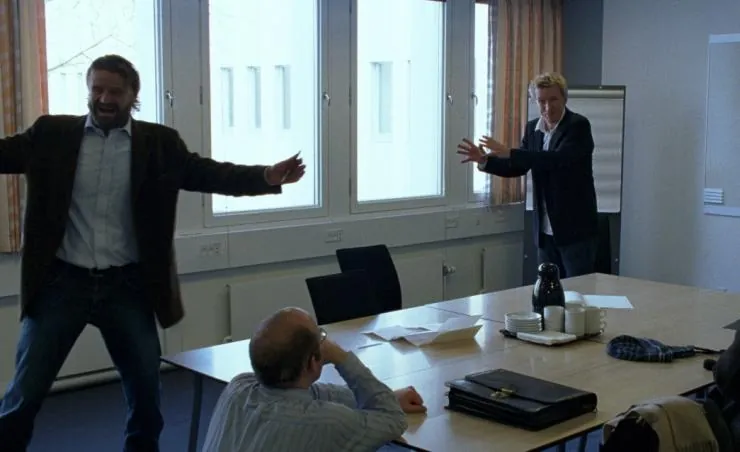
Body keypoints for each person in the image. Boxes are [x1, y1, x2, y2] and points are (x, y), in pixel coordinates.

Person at [0, 54, 305, 452]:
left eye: (114, 91)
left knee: (146, 395)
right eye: (97, 89)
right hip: (62, 284)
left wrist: (264, 176)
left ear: (133, 95)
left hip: (126, 287)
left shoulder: (159, 144)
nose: (104, 99)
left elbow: (209, 173)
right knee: (24, 393)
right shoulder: (52, 135)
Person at [202, 307, 426, 452]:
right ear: (312, 362)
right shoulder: (328, 422)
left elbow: (315, 394)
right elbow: (393, 418)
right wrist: (340, 356)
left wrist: (390, 395)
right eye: (322, 338)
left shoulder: (238, 387)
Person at [457, 72, 598, 278]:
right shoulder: (533, 128)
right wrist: (484, 161)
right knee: (547, 289)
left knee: (578, 290)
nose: (547, 107)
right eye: (542, 101)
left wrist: (510, 152)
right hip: (545, 230)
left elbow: (557, 160)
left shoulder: (578, 126)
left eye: (553, 100)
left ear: (564, 98)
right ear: (535, 101)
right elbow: (519, 166)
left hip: (575, 231)